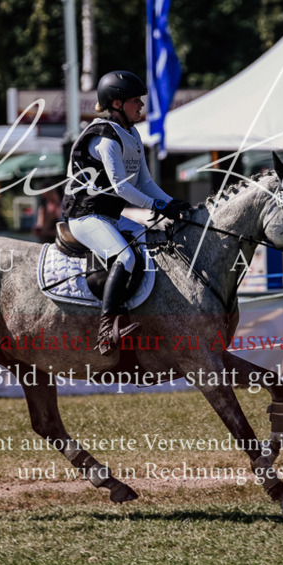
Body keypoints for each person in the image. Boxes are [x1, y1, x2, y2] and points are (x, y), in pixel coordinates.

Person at [61, 70, 191, 355]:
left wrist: (174, 202)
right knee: (125, 256)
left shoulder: (130, 134)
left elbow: (144, 182)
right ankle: (106, 330)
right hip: (85, 215)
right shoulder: (104, 137)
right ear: (117, 104)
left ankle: (138, 314)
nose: (141, 105)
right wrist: (158, 206)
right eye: (136, 100)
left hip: (109, 215)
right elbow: (121, 187)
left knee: (152, 245)